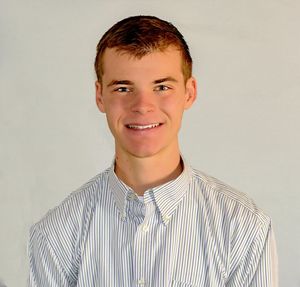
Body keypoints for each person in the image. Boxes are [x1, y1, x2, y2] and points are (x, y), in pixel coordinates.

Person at [28, 15, 278, 286]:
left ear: (189, 92)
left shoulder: (244, 228)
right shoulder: (55, 234)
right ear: (100, 96)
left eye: (161, 87)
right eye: (123, 88)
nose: (143, 106)